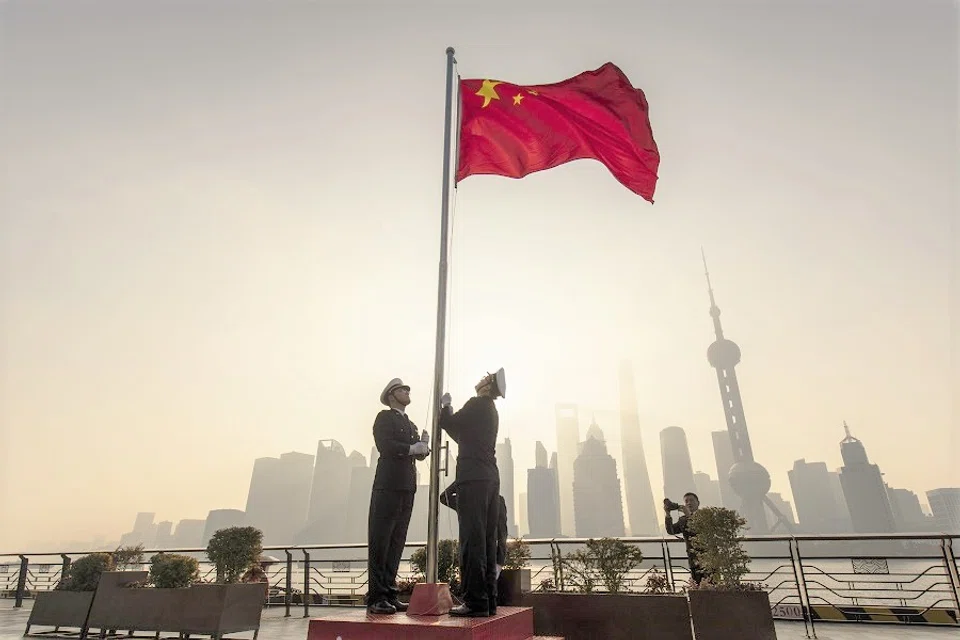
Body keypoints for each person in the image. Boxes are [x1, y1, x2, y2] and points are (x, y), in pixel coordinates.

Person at [439, 367, 506, 617]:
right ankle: (488, 602)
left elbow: (450, 422)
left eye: (484, 378)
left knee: (471, 541)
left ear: (487, 386)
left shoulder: (476, 403)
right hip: (490, 478)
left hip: (473, 479)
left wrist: (446, 406)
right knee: (487, 542)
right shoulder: (490, 410)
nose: (479, 379)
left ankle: (475, 602)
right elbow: (461, 435)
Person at [367, 378, 430, 615]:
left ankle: (390, 593)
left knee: (396, 542)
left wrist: (423, 445)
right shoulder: (384, 418)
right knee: (381, 542)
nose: (407, 391)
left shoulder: (411, 424)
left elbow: (418, 453)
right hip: (388, 485)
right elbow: (386, 445)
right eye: (403, 389)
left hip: (407, 486)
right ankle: (376, 597)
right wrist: (413, 447)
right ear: (392, 395)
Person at [439, 483, 509, 584]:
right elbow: (444, 497)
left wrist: (500, 561)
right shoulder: (467, 500)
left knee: (483, 589)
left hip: (484, 554)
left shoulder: (494, 500)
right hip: (471, 553)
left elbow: (502, 531)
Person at [664, 492, 704, 585]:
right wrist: (668, 515)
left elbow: (698, 529)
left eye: (692, 500)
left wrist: (689, 515)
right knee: (697, 585)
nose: (689, 503)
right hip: (693, 557)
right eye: (686, 501)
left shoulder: (704, 516)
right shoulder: (683, 519)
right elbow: (671, 531)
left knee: (712, 585)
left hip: (707, 557)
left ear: (698, 503)